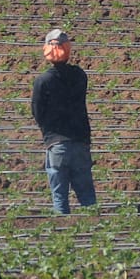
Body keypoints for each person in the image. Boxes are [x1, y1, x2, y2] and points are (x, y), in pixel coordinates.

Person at [31, 28, 97, 214]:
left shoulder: (43, 81)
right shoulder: (80, 76)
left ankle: (63, 229)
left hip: (57, 144)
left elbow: (37, 112)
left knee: (59, 197)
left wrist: (48, 131)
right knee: (87, 196)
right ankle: (96, 228)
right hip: (80, 142)